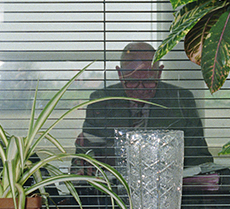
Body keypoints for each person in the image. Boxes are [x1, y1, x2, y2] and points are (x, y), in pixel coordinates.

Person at [75, 41, 213, 170]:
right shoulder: (101, 101)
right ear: (120, 74)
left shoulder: (181, 100)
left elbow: (198, 158)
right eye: (132, 81)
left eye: (148, 81)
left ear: (159, 73)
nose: (140, 89)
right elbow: (84, 154)